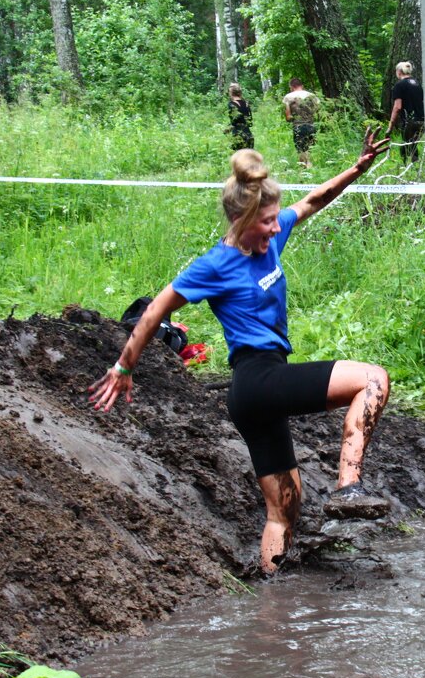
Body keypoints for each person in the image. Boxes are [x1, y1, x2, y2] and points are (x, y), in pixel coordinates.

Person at [88, 130, 392, 575]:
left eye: (275, 218)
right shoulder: (214, 264)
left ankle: (272, 607)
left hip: (256, 394)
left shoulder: (271, 236)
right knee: (373, 379)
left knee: (285, 508)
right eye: (266, 220)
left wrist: (358, 167)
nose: (275, 226)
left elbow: (313, 200)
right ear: (241, 218)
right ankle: (348, 486)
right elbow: (154, 310)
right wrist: (123, 366)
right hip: (256, 380)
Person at [386, 61, 425, 165]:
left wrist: (390, 127)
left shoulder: (399, 85)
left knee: (408, 148)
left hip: (409, 122)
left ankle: (411, 168)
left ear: (399, 72)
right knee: (410, 145)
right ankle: (411, 168)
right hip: (422, 121)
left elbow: (397, 107)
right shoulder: (417, 83)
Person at [283, 78, 319, 168]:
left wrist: (294, 117)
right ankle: (310, 170)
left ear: (291, 87)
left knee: (302, 151)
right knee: (310, 151)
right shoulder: (312, 96)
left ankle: (304, 172)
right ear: (302, 86)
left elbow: (288, 117)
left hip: (298, 127)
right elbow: (318, 113)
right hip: (312, 126)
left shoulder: (288, 97)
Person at [227, 83, 254, 151]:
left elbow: (234, 121)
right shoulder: (246, 103)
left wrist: (228, 129)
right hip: (248, 134)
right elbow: (249, 120)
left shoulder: (231, 104)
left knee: (238, 159)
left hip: (238, 135)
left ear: (231, 92)